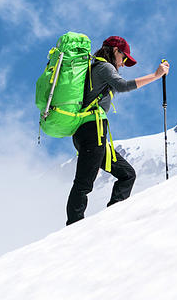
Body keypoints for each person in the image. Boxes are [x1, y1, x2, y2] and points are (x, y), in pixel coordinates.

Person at [65, 36, 170, 225]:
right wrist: (156, 75)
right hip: (92, 131)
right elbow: (122, 86)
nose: (123, 64)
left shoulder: (94, 68)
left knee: (127, 174)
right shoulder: (104, 67)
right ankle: (73, 228)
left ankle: (111, 218)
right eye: (124, 58)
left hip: (87, 132)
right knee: (83, 183)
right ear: (115, 51)